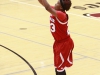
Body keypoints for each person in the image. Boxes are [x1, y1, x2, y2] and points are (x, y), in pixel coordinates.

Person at [38, 0, 74, 75]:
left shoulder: (61, 15)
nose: (55, 3)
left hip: (64, 44)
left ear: (61, 7)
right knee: (58, 67)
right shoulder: (56, 10)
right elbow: (43, 3)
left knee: (60, 68)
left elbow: (47, 7)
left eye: (57, 3)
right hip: (58, 42)